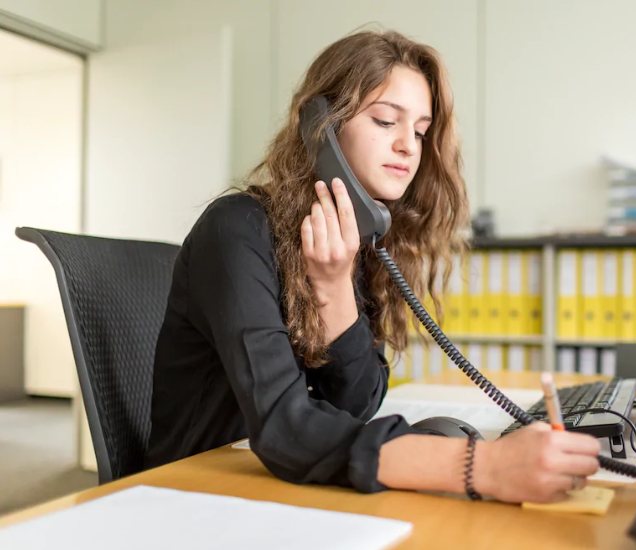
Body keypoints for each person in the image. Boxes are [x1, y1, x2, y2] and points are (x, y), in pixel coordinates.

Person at [145, 28, 600, 504]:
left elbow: (356, 403)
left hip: (281, 487)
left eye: (421, 131)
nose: (409, 145)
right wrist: (480, 466)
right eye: (386, 121)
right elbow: (285, 426)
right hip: (192, 492)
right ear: (321, 127)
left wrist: (333, 285)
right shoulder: (237, 230)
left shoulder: (360, 242)